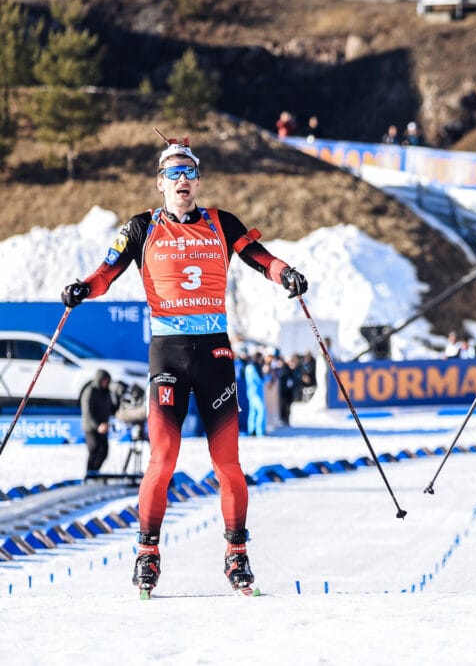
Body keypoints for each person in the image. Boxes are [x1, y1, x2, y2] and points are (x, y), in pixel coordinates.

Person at [60, 135, 309, 595]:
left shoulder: (221, 222)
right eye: (173, 173)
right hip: (169, 353)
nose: (182, 181)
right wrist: (81, 289)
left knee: (228, 463)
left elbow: (262, 259)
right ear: (160, 183)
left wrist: (287, 275)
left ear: (198, 182)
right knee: (163, 459)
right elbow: (105, 273)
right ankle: (147, 553)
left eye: (189, 173)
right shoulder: (140, 228)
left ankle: (237, 555)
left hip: (214, 353)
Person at [81, 369, 115, 477]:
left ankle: (95, 472)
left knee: (104, 451)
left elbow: (110, 407)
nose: (106, 383)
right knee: (94, 449)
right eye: (104, 380)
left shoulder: (106, 392)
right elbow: (88, 412)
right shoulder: (90, 391)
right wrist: (97, 425)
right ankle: (89, 474)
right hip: (91, 427)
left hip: (103, 426)